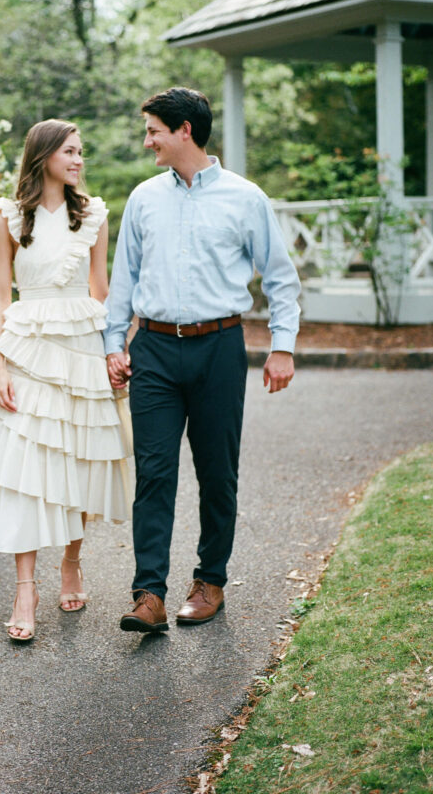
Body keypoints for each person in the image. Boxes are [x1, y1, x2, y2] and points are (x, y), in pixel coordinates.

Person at [104, 87, 300, 634]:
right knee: (155, 473)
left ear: (184, 130)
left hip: (218, 348)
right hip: (155, 351)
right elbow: (125, 280)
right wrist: (112, 345)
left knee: (217, 472)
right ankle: (149, 595)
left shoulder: (246, 198)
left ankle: (210, 580)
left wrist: (282, 345)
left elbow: (280, 278)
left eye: (153, 131)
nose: (148, 142)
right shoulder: (144, 198)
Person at [0, 119, 132, 642]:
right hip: (27, 349)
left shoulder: (92, 214)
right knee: (25, 465)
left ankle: (72, 560)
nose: (78, 160)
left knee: (81, 459)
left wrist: (115, 351)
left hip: (82, 348)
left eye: (81, 152)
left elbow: (101, 288)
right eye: (70, 151)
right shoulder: (4, 215)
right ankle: (25, 588)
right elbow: (2, 297)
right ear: (44, 153)